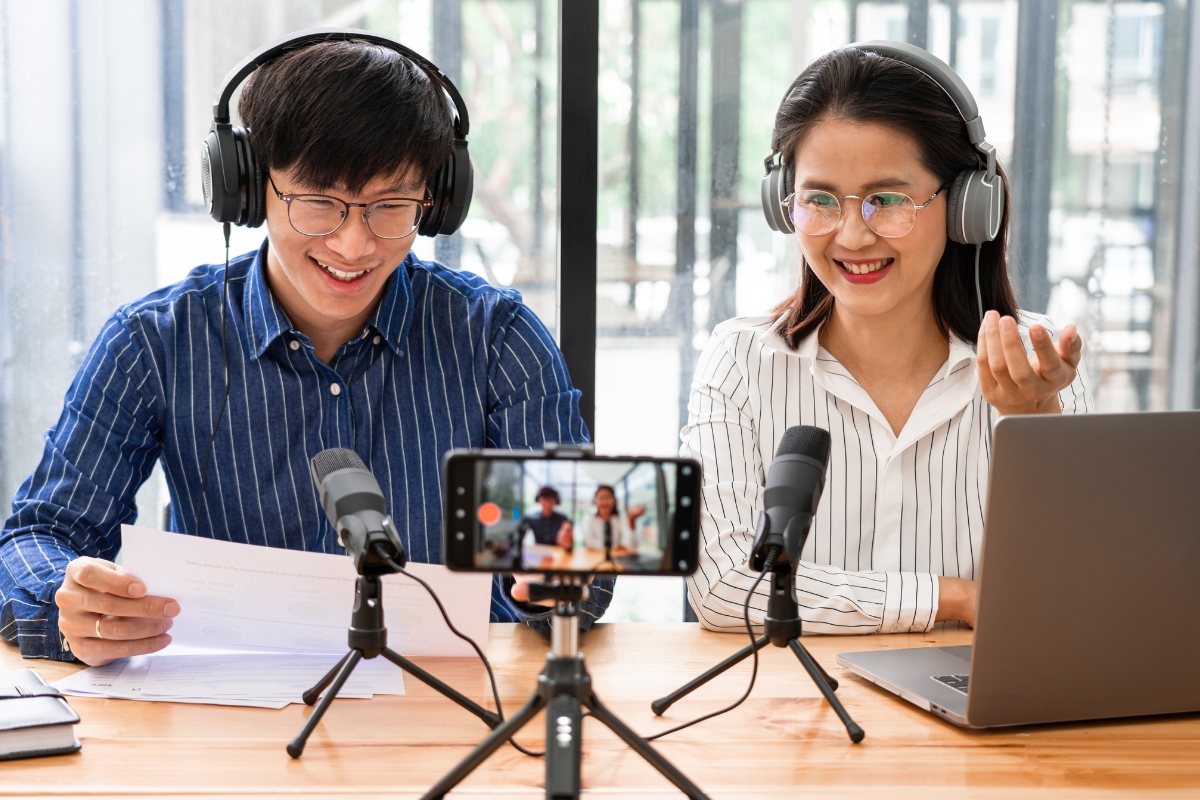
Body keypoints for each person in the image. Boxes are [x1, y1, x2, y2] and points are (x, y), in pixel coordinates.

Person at [0, 35, 611, 666]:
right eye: (319, 203)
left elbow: (578, 568)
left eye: (390, 206)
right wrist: (68, 601)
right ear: (247, 186)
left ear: (436, 204)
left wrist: (555, 587)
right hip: (228, 717)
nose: (353, 245)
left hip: (452, 705)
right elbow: (40, 533)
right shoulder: (154, 340)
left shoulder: (498, 339)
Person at [682, 46, 1093, 635]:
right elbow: (725, 588)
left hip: (981, 718)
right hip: (798, 713)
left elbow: (1073, 595)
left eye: (889, 201)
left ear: (967, 208)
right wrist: (949, 599)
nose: (851, 234)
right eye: (819, 200)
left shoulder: (1035, 362)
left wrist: (1034, 422)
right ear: (784, 205)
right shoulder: (742, 362)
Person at [580, 486, 644, 553]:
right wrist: (615, 546)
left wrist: (631, 521)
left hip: (618, 558)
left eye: (608, 497)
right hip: (594, 557)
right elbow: (589, 542)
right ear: (595, 502)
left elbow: (632, 546)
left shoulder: (621, 519)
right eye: (601, 498)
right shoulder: (589, 520)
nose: (604, 502)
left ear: (614, 500)